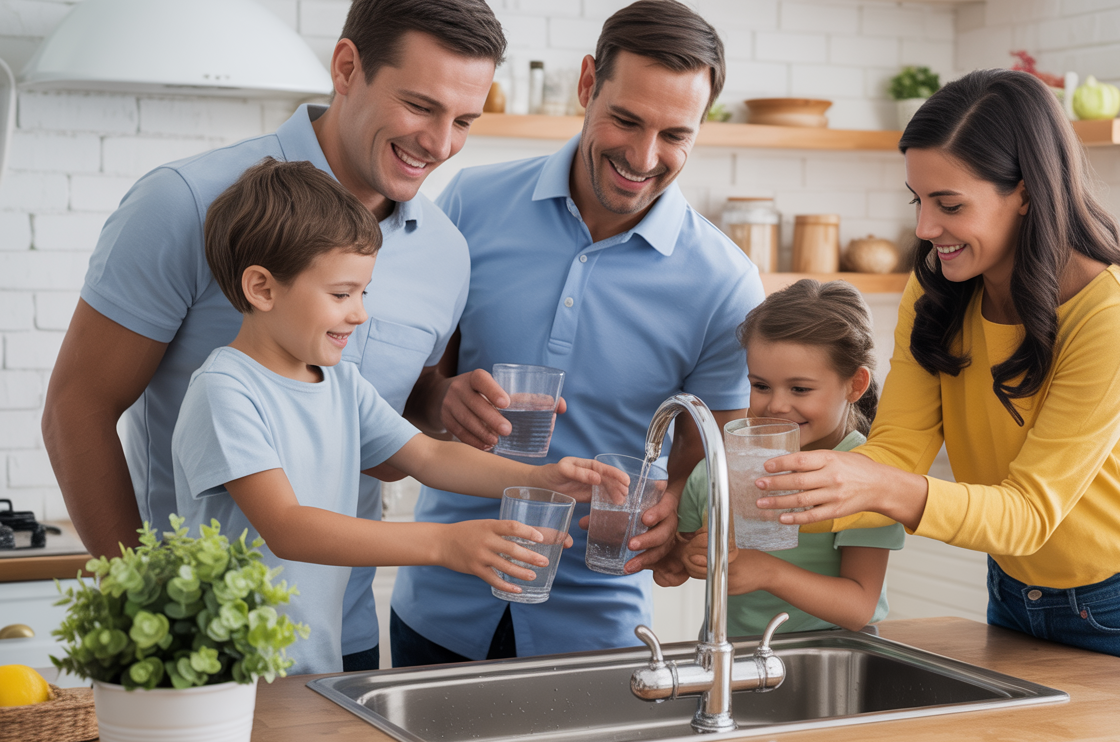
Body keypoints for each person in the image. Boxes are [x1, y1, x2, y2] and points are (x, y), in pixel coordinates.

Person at [41, 0, 506, 672]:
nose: (440, 144)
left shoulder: (446, 252)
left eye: (463, 120)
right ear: (346, 68)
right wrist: (148, 609)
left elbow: (361, 424)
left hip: (341, 638)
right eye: (419, 106)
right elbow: (76, 409)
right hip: (207, 637)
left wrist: (437, 402)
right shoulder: (185, 203)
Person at [756, 69, 1120, 679]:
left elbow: (1027, 513)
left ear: (1025, 192)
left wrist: (871, 488)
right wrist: (774, 500)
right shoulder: (938, 289)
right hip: (1015, 593)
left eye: (949, 205)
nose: (924, 229)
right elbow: (899, 450)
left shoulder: (1115, 314)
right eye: (917, 201)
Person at [390, 0, 765, 665]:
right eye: (625, 119)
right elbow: (414, 386)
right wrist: (441, 401)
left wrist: (672, 512)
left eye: (675, 134)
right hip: (441, 600)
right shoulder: (471, 205)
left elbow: (715, 460)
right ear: (588, 84)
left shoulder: (724, 283)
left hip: (594, 625)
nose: (643, 156)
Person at [174, 158, 610, 675]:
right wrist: (445, 543)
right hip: (224, 669)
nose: (359, 313)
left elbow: (426, 455)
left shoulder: (337, 381)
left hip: (310, 665)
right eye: (341, 294)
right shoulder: (226, 391)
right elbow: (288, 527)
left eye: (363, 292)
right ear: (262, 288)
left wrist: (538, 478)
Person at [675, 280, 905, 636]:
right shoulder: (716, 471)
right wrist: (690, 556)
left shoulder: (868, 476)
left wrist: (767, 572)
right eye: (761, 385)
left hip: (832, 659)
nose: (776, 405)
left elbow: (860, 605)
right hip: (730, 660)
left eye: (800, 389)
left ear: (855, 385)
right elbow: (680, 555)